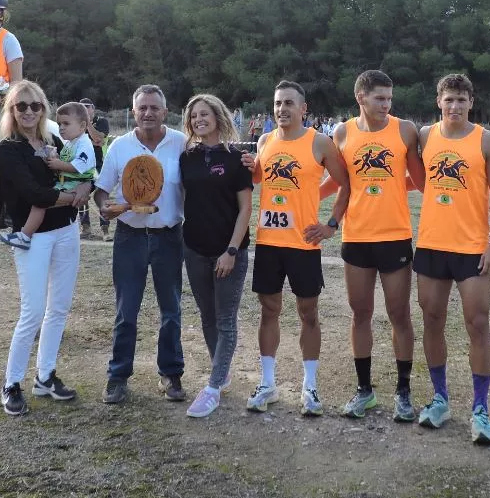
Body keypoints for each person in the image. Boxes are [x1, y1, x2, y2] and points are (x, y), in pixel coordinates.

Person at [320, 70, 425, 421]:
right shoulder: (342, 132)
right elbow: (338, 182)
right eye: (380, 98)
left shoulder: (405, 130)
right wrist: (303, 195)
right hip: (356, 237)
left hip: (394, 236)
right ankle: (364, 391)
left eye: (390, 99)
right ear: (361, 97)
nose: (387, 105)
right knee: (360, 314)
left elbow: (420, 179)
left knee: (399, 314)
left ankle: (404, 392)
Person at [244, 81, 351, 416]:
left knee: (309, 314)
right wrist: (250, 165)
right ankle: (268, 383)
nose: (282, 109)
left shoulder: (319, 142)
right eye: (277, 103)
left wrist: (331, 225)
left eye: (289, 103)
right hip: (268, 243)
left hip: (304, 242)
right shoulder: (265, 140)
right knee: (268, 311)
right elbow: (259, 179)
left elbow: (345, 184)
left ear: (303, 109)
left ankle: (310, 386)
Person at [413, 74, 490, 445]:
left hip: (472, 248)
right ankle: (440, 399)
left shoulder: (486, 140)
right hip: (433, 244)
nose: (455, 106)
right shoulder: (424, 136)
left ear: (471, 102)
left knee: (478, 323)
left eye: (461, 100)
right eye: (449, 99)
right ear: (439, 102)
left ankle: (481, 410)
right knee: (432, 319)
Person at [0, 81, 90, 415]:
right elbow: (34, 193)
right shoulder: (8, 149)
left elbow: (87, 162)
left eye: (35, 106)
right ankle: (11, 383)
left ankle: (45, 375)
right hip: (33, 237)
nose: (29, 112)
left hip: (67, 230)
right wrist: (75, 196)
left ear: (43, 109)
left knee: (60, 307)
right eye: (21, 106)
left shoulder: (55, 140)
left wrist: (87, 184)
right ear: (12, 110)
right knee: (33, 312)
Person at [95, 85, 188, 404]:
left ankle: (171, 373)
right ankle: (118, 376)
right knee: (126, 310)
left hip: (169, 236)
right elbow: (102, 190)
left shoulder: (182, 143)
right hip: (129, 236)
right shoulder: (119, 146)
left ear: (165, 111)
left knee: (171, 309)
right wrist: (105, 206)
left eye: (154, 108)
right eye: (142, 108)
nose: (148, 113)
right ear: (133, 112)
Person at [180, 94, 253, 417]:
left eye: (205, 114)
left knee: (225, 319)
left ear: (219, 117)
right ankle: (220, 375)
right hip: (194, 249)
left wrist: (232, 250)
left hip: (229, 252)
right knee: (207, 316)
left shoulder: (238, 158)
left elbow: (245, 208)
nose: (199, 119)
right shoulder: (186, 157)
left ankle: (211, 387)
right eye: (194, 115)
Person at [0, 102, 96, 250]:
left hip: (70, 187)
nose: (61, 127)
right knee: (42, 201)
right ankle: (24, 234)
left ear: (82, 126)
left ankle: (24, 236)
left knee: (41, 204)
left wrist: (58, 165)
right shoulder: (70, 142)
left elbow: (79, 167)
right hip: (69, 188)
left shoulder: (83, 144)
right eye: (59, 123)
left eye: (66, 124)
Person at [79, 98, 112, 240]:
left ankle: (105, 230)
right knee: (81, 194)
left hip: (99, 165)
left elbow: (99, 140)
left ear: (93, 108)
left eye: (87, 106)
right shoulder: (77, 124)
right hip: (82, 164)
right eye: (82, 107)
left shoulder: (102, 121)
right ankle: (86, 228)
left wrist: (87, 125)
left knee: (102, 194)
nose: (85, 109)